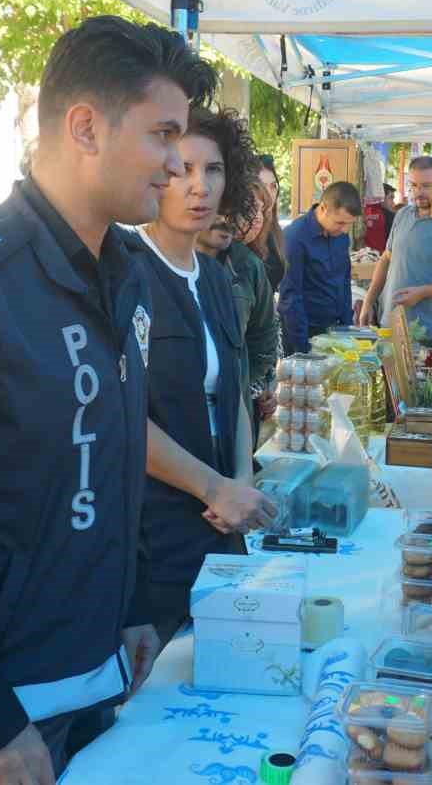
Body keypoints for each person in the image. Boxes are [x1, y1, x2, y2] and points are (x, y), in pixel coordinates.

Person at [0, 18, 238, 785]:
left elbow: (109, 453)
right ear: (85, 128)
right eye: (163, 135)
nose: (176, 166)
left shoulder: (128, 271)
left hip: (98, 680)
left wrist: (131, 605)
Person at [129, 106, 278, 647]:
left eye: (213, 170)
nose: (200, 187)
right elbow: (120, 417)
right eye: (185, 168)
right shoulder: (125, 271)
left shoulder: (216, 277)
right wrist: (213, 487)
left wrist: (238, 481)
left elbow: (234, 390)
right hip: (152, 535)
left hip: (220, 528)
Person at [358, 156, 432, 340]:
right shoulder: (402, 215)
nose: (418, 192)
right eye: (413, 185)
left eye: (426, 186)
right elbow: (386, 259)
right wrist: (369, 301)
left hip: (430, 333)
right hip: (390, 325)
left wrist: (423, 292)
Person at [196, 215, 280, 430]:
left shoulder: (248, 265)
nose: (226, 217)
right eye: (217, 205)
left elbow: (263, 335)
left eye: (234, 208)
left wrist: (249, 385)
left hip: (233, 420)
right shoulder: (148, 263)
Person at [279, 181, 360, 355]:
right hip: (305, 334)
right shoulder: (295, 237)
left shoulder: (340, 236)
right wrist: (303, 349)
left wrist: (347, 328)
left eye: (349, 224)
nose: (345, 230)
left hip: (337, 331)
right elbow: (291, 298)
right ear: (323, 208)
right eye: (340, 223)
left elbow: (344, 280)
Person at [243, 154, 287, 291]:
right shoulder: (243, 229)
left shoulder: (274, 230)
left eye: (273, 186)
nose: (269, 193)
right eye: (261, 186)